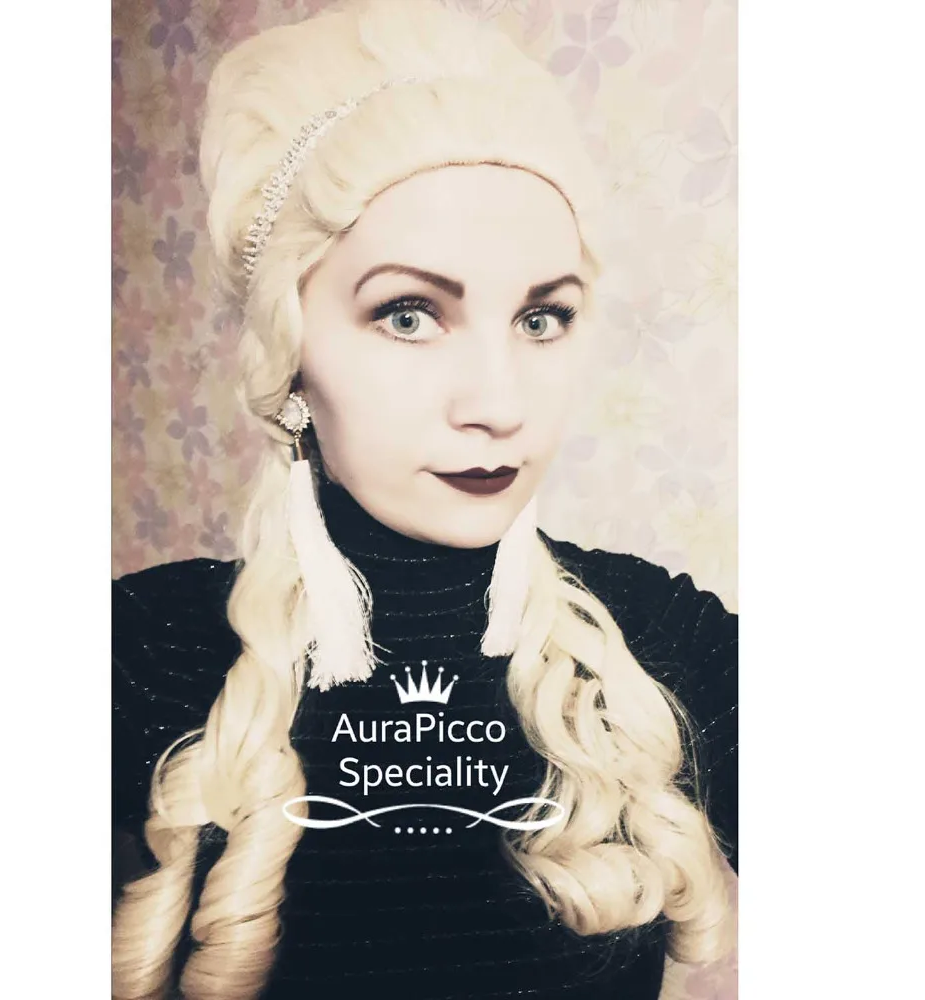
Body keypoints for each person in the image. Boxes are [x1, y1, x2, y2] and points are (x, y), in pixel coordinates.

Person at [111, 2, 738, 998]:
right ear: (288, 351)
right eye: (408, 315)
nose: (499, 404)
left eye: (542, 317)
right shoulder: (140, 652)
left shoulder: (664, 638)